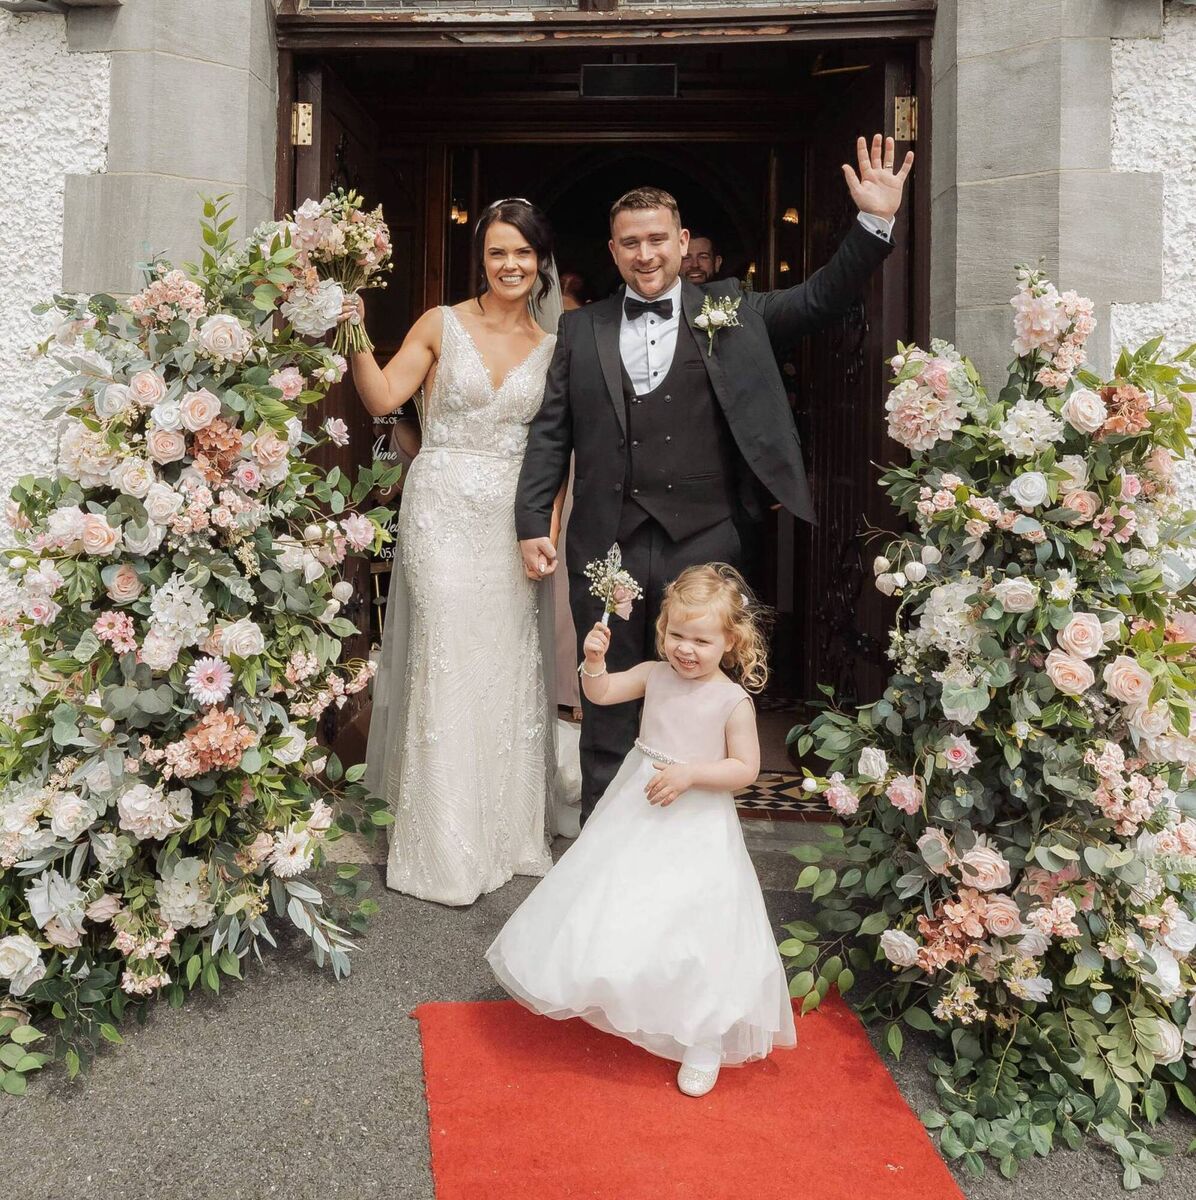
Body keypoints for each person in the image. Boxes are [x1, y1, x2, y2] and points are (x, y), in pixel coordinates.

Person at [515, 133, 914, 823]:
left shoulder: (734, 312)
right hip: (606, 539)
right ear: (613, 250)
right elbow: (552, 431)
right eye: (630, 242)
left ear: (681, 241)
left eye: (657, 239)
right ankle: (602, 844)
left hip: (705, 536)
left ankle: (686, 842)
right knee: (607, 689)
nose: (645, 254)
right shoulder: (582, 331)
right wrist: (531, 522)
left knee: (700, 698)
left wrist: (873, 222)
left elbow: (820, 298)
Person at [487, 564, 795, 1097]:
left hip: (696, 823)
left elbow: (745, 769)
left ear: (730, 641)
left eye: (701, 640)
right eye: (677, 635)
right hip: (638, 808)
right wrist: (593, 663)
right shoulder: (655, 674)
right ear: (663, 630)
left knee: (696, 923)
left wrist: (691, 774)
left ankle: (704, 1037)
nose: (686, 650)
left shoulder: (731, 701)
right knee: (624, 900)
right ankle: (631, 992)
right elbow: (602, 693)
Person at [346, 198, 564, 906]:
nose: (510, 265)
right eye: (498, 252)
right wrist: (353, 328)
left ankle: (502, 835)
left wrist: (550, 532)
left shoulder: (551, 347)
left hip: (510, 522)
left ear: (540, 261)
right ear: (482, 259)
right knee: (445, 658)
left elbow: (554, 454)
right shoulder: (441, 323)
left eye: (522, 253)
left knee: (502, 664)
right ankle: (440, 846)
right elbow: (383, 395)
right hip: (440, 513)